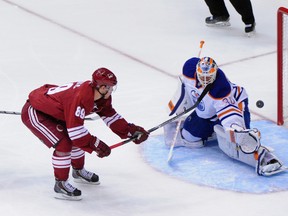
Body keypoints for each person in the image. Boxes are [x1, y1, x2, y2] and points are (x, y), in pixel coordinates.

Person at [21, 67, 149, 200]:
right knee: (64, 144)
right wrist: (96, 144)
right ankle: (60, 184)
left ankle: (78, 171)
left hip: (58, 113)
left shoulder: (102, 97)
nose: (112, 90)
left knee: (77, 139)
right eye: (110, 87)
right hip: (36, 112)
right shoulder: (81, 97)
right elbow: (76, 133)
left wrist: (130, 131)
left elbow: (110, 116)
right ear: (102, 87)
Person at [164, 56, 285, 176]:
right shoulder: (189, 68)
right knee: (189, 138)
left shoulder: (221, 89)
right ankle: (213, 131)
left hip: (235, 103)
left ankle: (263, 156)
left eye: (209, 77)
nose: (205, 80)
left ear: (215, 73)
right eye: (203, 76)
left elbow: (229, 112)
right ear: (197, 71)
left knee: (239, 142)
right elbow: (186, 86)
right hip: (209, 111)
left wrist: (235, 129)